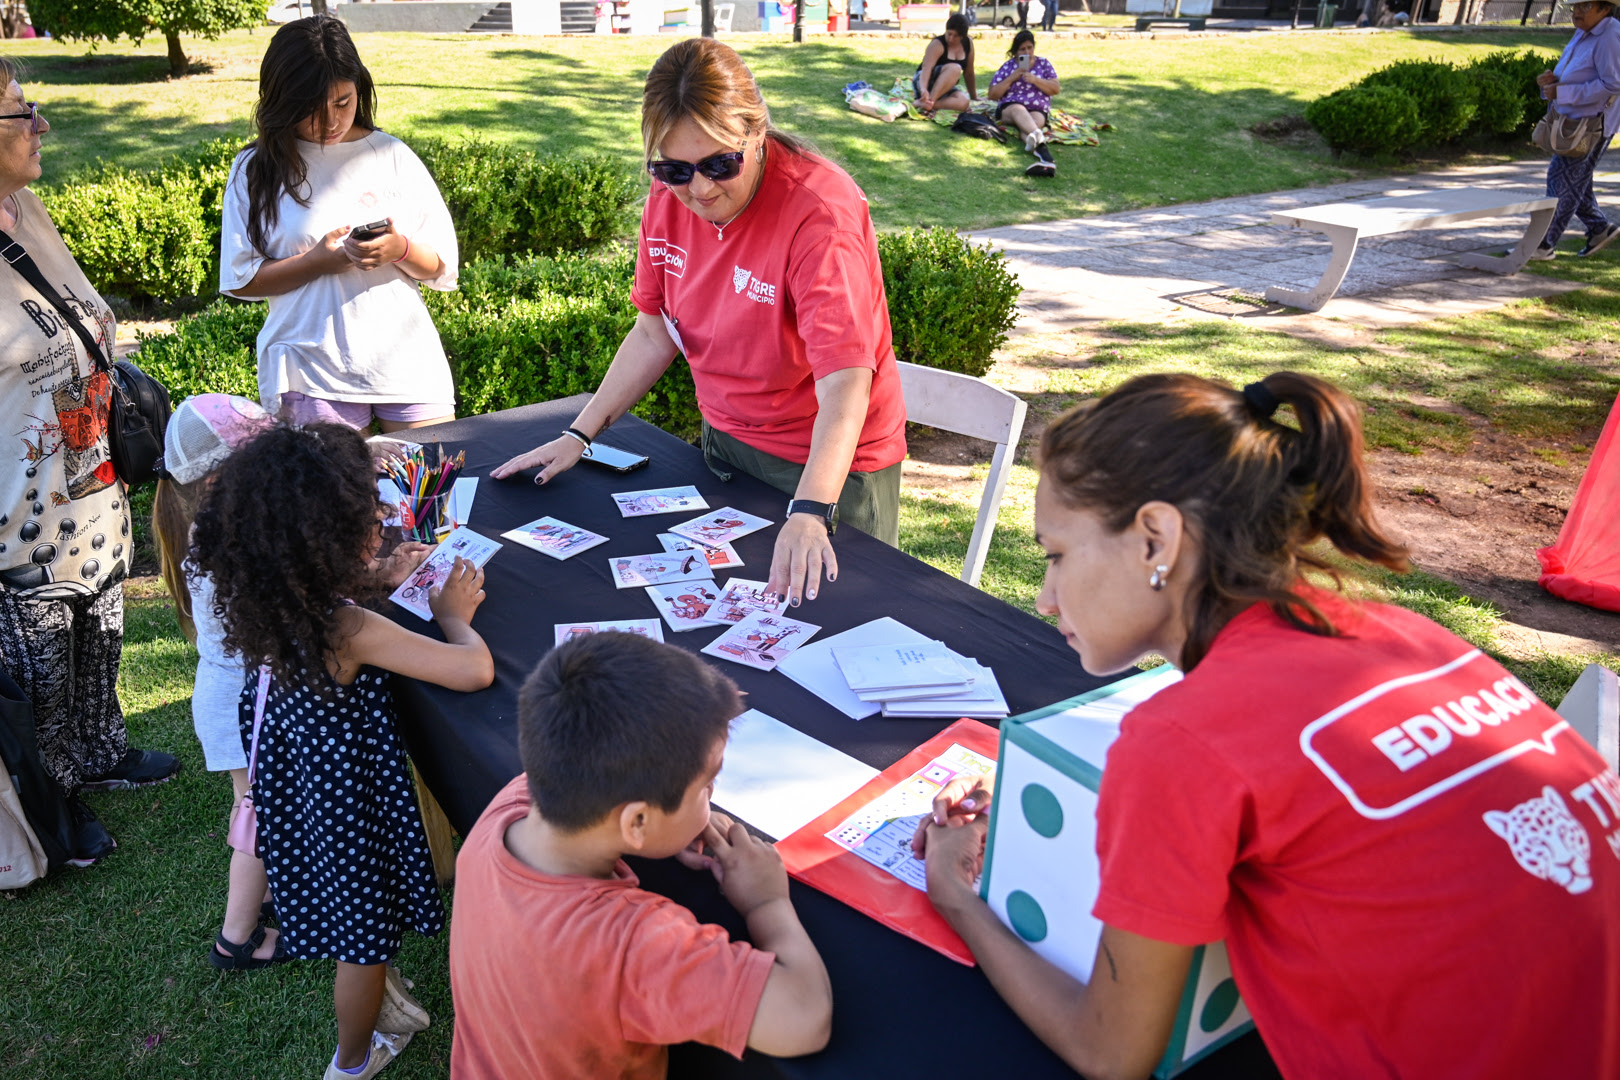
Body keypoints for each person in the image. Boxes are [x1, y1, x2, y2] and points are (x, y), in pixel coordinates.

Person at [914, 372, 1620, 1079]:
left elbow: (1110, 1051)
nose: (1042, 597)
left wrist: (957, 897)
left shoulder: (1181, 737)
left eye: (1056, 556)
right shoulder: (1411, 638)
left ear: (1156, 538)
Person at [492, 39, 906, 609]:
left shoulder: (819, 214)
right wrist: (578, 434)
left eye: (719, 164)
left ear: (757, 133)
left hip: (830, 465)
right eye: (675, 169)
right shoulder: (667, 202)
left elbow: (845, 379)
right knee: (734, 623)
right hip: (726, 445)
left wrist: (811, 509)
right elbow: (652, 331)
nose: (700, 189)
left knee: (835, 630)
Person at [191, 422, 494, 1080]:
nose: (380, 528)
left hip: (305, 795)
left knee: (351, 925)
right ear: (331, 538)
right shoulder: (348, 627)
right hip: (350, 811)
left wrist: (379, 574)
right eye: (369, 520)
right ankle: (352, 1061)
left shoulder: (271, 598)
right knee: (364, 943)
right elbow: (472, 673)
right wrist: (453, 615)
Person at [449, 631, 832, 1078]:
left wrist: (680, 820)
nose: (713, 795)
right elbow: (804, 1019)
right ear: (635, 823)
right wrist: (768, 902)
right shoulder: (634, 944)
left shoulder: (509, 810)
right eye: (707, 786)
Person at [0, 58, 178, 868]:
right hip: (20, 503)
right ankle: (50, 801)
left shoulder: (26, 209)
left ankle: (102, 749)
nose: (40, 126)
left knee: (100, 626)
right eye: (20, 113)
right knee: (40, 662)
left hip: (91, 477)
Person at [220, 15, 460, 431]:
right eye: (311, 110)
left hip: (406, 366)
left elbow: (440, 266)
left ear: (358, 88)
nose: (330, 121)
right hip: (310, 373)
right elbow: (240, 279)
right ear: (282, 101)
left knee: (427, 495)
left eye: (342, 103)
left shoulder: (390, 154)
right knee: (333, 499)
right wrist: (316, 262)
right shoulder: (256, 169)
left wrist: (399, 248)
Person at [1532, 0, 1620, 259]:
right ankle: (1600, 228)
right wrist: (1550, 83)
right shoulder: (1585, 31)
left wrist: (1564, 91)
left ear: (1604, 8)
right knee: (1575, 180)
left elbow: (1613, 84)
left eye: (1585, 5)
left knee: (1561, 179)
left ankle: (1544, 244)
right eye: (1575, 6)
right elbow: (1576, 74)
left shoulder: (1611, 35)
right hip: (1574, 118)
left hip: (1592, 123)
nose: (1576, 11)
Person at [989, 30, 1060, 177]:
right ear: (1015, 52)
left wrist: (1036, 80)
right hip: (1011, 106)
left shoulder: (1043, 64)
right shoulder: (1008, 67)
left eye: (1030, 47)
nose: (1027, 52)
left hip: (1038, 108)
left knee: (1031, 126)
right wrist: (1012, 78)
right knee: (1018, 110)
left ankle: (1045, 160)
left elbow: (1055, 89)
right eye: (1022, 49)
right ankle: (1045, 152)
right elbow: (993, 94)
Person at [913, 12, 978, 117]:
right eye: (949, 34)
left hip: (945, 85)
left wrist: (974, 96)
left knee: (964, 102)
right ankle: (929, 100)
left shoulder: (968, 44)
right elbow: (926, 68)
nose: (951, 39)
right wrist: (923, 89)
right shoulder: (938, 44)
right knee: (955, 68)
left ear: (963, 36)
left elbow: (969, 72)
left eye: (956, 36)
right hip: (925, 81)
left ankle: (927, 104)